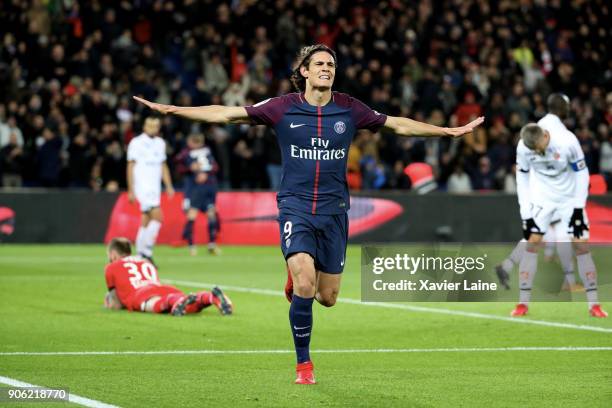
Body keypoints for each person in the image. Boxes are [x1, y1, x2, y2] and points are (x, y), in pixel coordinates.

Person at [133, 44, 484, 384]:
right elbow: (225, 113)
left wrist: (447, 132)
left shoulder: (349, 109)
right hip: (296, 207)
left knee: (326, 297)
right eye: (319, 64)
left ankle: (298, 276)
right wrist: (174, 110)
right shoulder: (282, 107)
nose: (326, 69)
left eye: (330, 65)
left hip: (334, 213)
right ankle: (304, 364)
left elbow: (399, 125)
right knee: (305, 282)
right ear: (304, 71)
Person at [512, 123, 607, 318]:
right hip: (542, 201)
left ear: (546, 136)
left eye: (539, 147)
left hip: (569, 201)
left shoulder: (567, 141)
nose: (537, 152)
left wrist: (579, 208)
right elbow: (521, 180)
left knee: (581, 246)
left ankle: (594, 305)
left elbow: (582, 174)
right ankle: (522, 304)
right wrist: (526, 214)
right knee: (531, 245)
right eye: (534, 150)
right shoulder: (523, 147)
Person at [496, 94, 579, 291]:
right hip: (549, 194)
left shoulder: (539, 128)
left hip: (538, 194)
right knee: (562, 235)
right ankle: (570, 282)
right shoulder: (556, 133)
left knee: (535, 237)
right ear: (563, 108)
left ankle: (506, 266)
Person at [104, 237, 232, 316]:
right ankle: (210, 297)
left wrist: (107, 303)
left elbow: (116, 305)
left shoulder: (111, 267)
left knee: (152, 305)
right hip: (164, 289)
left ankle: (174, 301)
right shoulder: (146, 261)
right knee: (188, 306)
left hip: (141, 294)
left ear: (113, 254)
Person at [126, 117, 175, 265]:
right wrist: (131, 189)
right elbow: (130, 166)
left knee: (146, 220)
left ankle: (141, 254)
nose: (153, 128)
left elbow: (163, 165)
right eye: (150, 125)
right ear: (144, 126)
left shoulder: (160, 143)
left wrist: (168, 185)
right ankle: (146, 253)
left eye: (156, 125)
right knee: (158, 217)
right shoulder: (136, 143)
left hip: (155, 187)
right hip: (142, 186)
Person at [180, 133, 221, 256]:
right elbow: (215, 167)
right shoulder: (190, 153)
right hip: (199, 188)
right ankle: (193, 245)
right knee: (195, 214)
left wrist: (196, 170)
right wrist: (190, 168)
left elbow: (215, 167)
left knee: (210, 213)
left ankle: (211, 244)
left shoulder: (188, 153)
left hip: (205, 187)